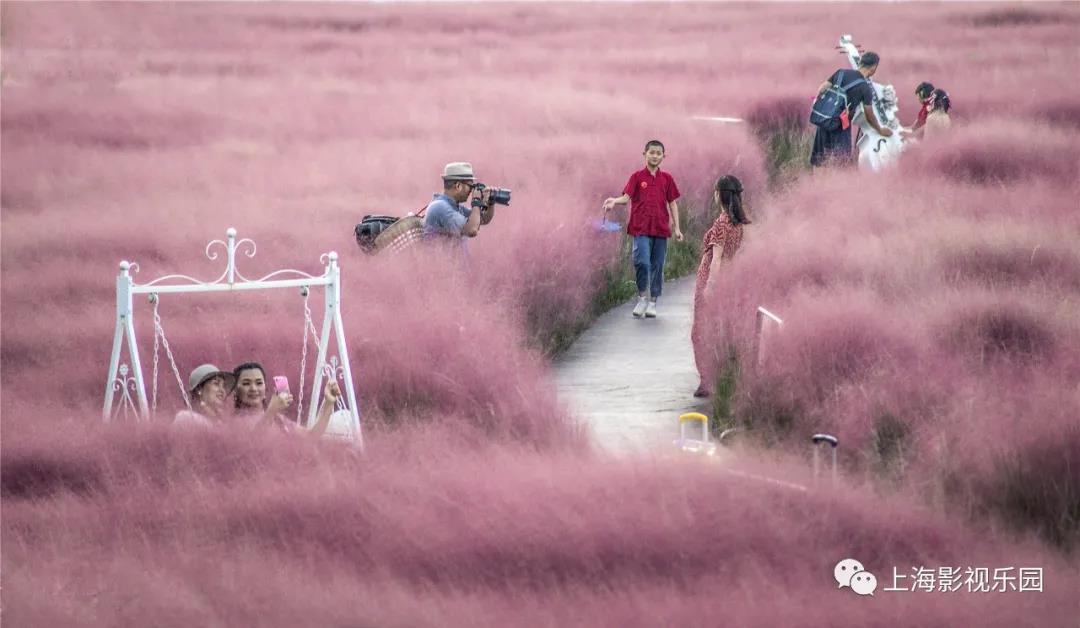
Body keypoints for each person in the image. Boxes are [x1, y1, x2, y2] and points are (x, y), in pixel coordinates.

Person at [602, 140, 684, 318]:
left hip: (661, 228)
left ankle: (653, 302)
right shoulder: (637, 177)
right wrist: (614, 201)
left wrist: (677, 228)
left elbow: (673, 203)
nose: (655, 156)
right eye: (651, 152)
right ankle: (641, 298)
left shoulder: (667, 179)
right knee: (642, 262)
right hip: (640, 228)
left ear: (664, 156)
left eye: (658, 153)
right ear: (644, 154)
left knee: (657, 265)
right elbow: (626, 197)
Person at [691, 175, 751, 398]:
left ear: (719, 194)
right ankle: (721, 376)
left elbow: (716, 258)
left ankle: (707, 380)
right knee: (719, 328)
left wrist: (710, 286)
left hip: (711, 279)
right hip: (729, 280)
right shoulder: (739, 223)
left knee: (700, 331)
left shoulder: (722, 224)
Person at [810, 51, 893, 168]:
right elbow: (869, 115)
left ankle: (817, 184)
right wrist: (880, 130)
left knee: (819, 160)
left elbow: (822, 88)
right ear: (873, 67)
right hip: (840, 127)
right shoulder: (865, 88)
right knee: (840, 162)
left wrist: (825, 109)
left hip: (825, 121)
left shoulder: (841, 73)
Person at [422, 162, 495, 249]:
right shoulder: (440, 207)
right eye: (470, 186)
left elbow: (483, 219)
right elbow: (471, 230)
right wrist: (476, 201)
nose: (471, 191)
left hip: (452, 262)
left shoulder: (455, 207)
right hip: (442, 262)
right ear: (458, 186)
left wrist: (490, 202)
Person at [233, 361, 295, 430]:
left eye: (259, 383)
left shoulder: (278, 418)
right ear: (235, 390)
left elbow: (306, 434)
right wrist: (272, 410)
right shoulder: (232, 421)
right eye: (246, 383)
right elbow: (253, 439)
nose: (253, 388)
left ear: (265, 388)